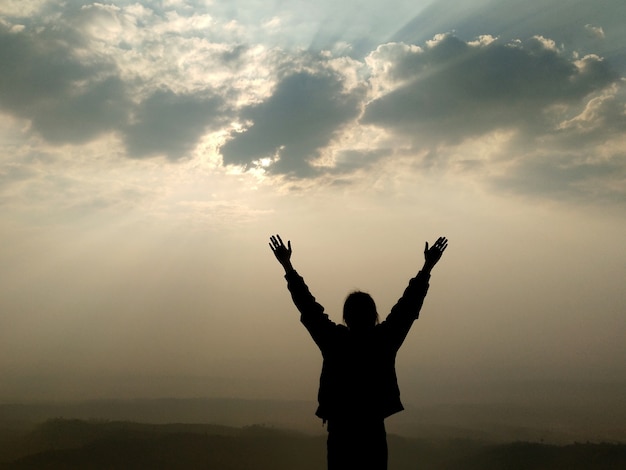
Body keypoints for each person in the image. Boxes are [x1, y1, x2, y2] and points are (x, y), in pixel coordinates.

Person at [269, 234, 448, 470]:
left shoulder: (334, 341)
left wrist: (288, 266)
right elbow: (408, 306)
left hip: (340, 432)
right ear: (374, 316)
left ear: (346, 317)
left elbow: (308, 306)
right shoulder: (383, 340)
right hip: (372, 430)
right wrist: (427, 267)